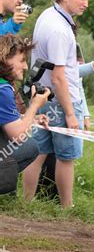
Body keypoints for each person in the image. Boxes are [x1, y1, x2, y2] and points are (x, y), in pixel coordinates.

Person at [22, 0, 92, 208]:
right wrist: (71, 113)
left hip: (43, 97)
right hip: (62, 99)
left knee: (38, 153)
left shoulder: (46, 15)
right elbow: (59, 77)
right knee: (66, 158)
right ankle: (67, 207)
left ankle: (27, 202)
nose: (86, 4)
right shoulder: (61, 30)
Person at [37, 44, 94, 200]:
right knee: (63, 157)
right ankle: (63, 204)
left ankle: (39, 199)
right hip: (61, 104)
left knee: (46, 155)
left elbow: (78, 84)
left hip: (49, 101)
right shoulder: (64, 41)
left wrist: (85, 114)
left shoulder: (71, 44)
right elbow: (71, 76)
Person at [0, 35, 50, 193]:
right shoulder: (3, 89)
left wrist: (30, 118)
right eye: (21, 60)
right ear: (5, 58)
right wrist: (34, 105)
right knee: (30, 146)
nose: (26, 67)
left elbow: (5, 118)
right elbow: (17, 135)